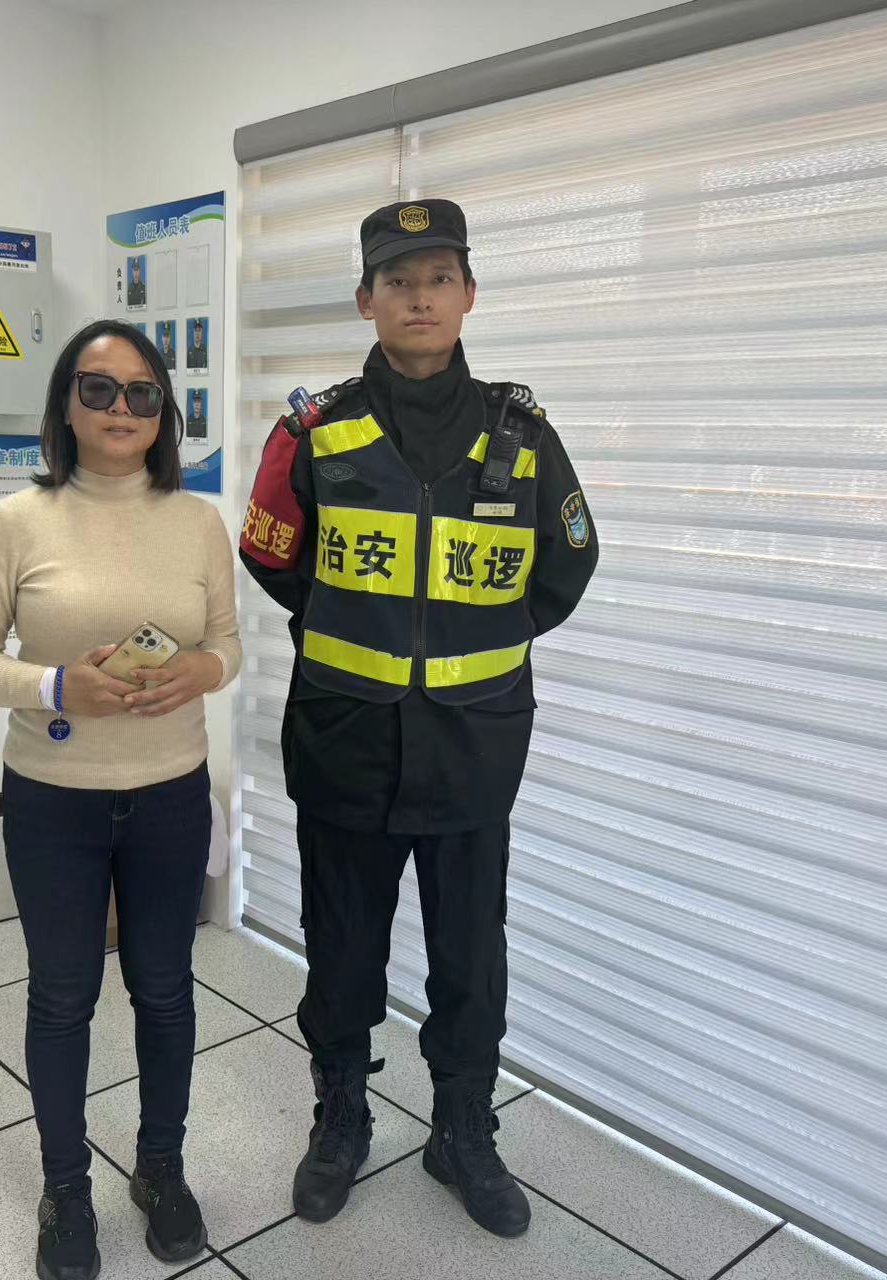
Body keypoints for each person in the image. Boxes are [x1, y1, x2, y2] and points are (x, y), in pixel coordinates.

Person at [239, 199, 598, 1239]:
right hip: (345, 741)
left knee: (469, 961)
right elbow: (271, 551)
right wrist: (359, 627)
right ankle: (341, 1116)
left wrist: (465, 646)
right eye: (397, 280)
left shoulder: (523, 436)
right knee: (342, 949)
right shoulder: (315, 430)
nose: (419, 297)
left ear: (469, 293)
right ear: (366, 299)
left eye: (439, 277)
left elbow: (565, 565)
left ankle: (461, 1130)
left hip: (473, 748)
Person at [0, 319, 241, 1280]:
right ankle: (64, 1188)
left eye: (142, 392)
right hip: (54, 800)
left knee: (164, 988)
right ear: (65, 406)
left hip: (170, 795)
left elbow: (229, 648)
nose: (121, 408)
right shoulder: (16, 521)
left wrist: (201, 669)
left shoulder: (199, 521)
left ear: (165, 412)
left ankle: (160, 1167)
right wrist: (54, 686)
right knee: (63, 995)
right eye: (98, 388)